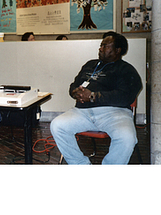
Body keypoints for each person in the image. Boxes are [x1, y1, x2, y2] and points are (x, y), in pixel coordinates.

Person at [50, 32, 142, 165]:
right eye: (101, 45)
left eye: (105, 46)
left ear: (118, 50)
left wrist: (93, 96)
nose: (100, 48)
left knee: (127, 138)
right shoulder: (90, 64)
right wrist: (74, 92)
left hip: (114, 113)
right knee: (57, 125)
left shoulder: (126, 70)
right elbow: (74, 84)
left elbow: (125, 96)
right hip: (82, 112)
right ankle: (81, 165)